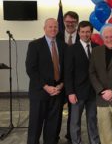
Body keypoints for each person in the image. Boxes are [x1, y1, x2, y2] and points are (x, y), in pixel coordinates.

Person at [26, 18, 66, 144]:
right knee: (35, 127)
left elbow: (66, 68)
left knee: (53, 128)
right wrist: (45, 86)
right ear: (44, 28)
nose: (53, 29)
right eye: (50, 27)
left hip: (57, 92)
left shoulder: (63, 45)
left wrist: (61, 84)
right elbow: (31, 69)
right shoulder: (34, 45)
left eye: (55, 27)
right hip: (40, 92)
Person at [64, 21, 100, 144]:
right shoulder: (71, 49)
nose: (85, 34)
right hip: (77, 93)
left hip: (93, 92)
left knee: (92, 120)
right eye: (83, 32)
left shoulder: (97, 48)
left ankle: (94, 142)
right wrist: (70, 92)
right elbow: (67, 73)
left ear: (91, 32)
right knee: (75, 122)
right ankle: (76, 142)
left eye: (88, 32)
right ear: (78, 32)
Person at [57, 10, 80, 142]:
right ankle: (54, 135)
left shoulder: (82, 36)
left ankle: (71, 136)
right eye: (68, 21)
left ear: (76, 22)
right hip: (59, 81)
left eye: (73, 22)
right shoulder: (57, 36)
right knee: (56, 111)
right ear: (64, 22)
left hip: (75, 82)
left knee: (73, 113)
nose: (70, 24)